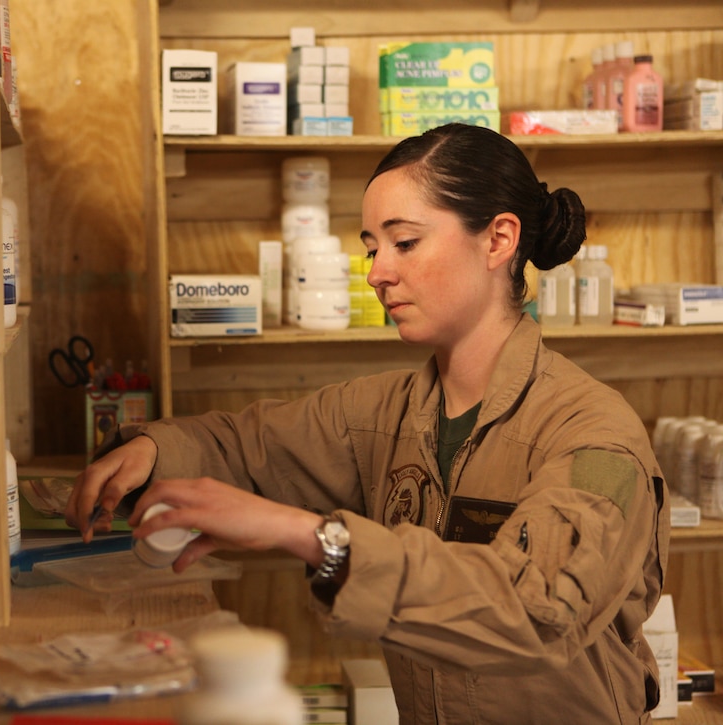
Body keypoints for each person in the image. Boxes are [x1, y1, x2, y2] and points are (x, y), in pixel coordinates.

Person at [67, 123, 669, 723]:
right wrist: (152, 448)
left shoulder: (594, 432)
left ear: (498, 240)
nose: (377, 273)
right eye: (371, 248)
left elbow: (536, 610)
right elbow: (247, 445)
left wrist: (312, 537)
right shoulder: (385, 414)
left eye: (404, 243)